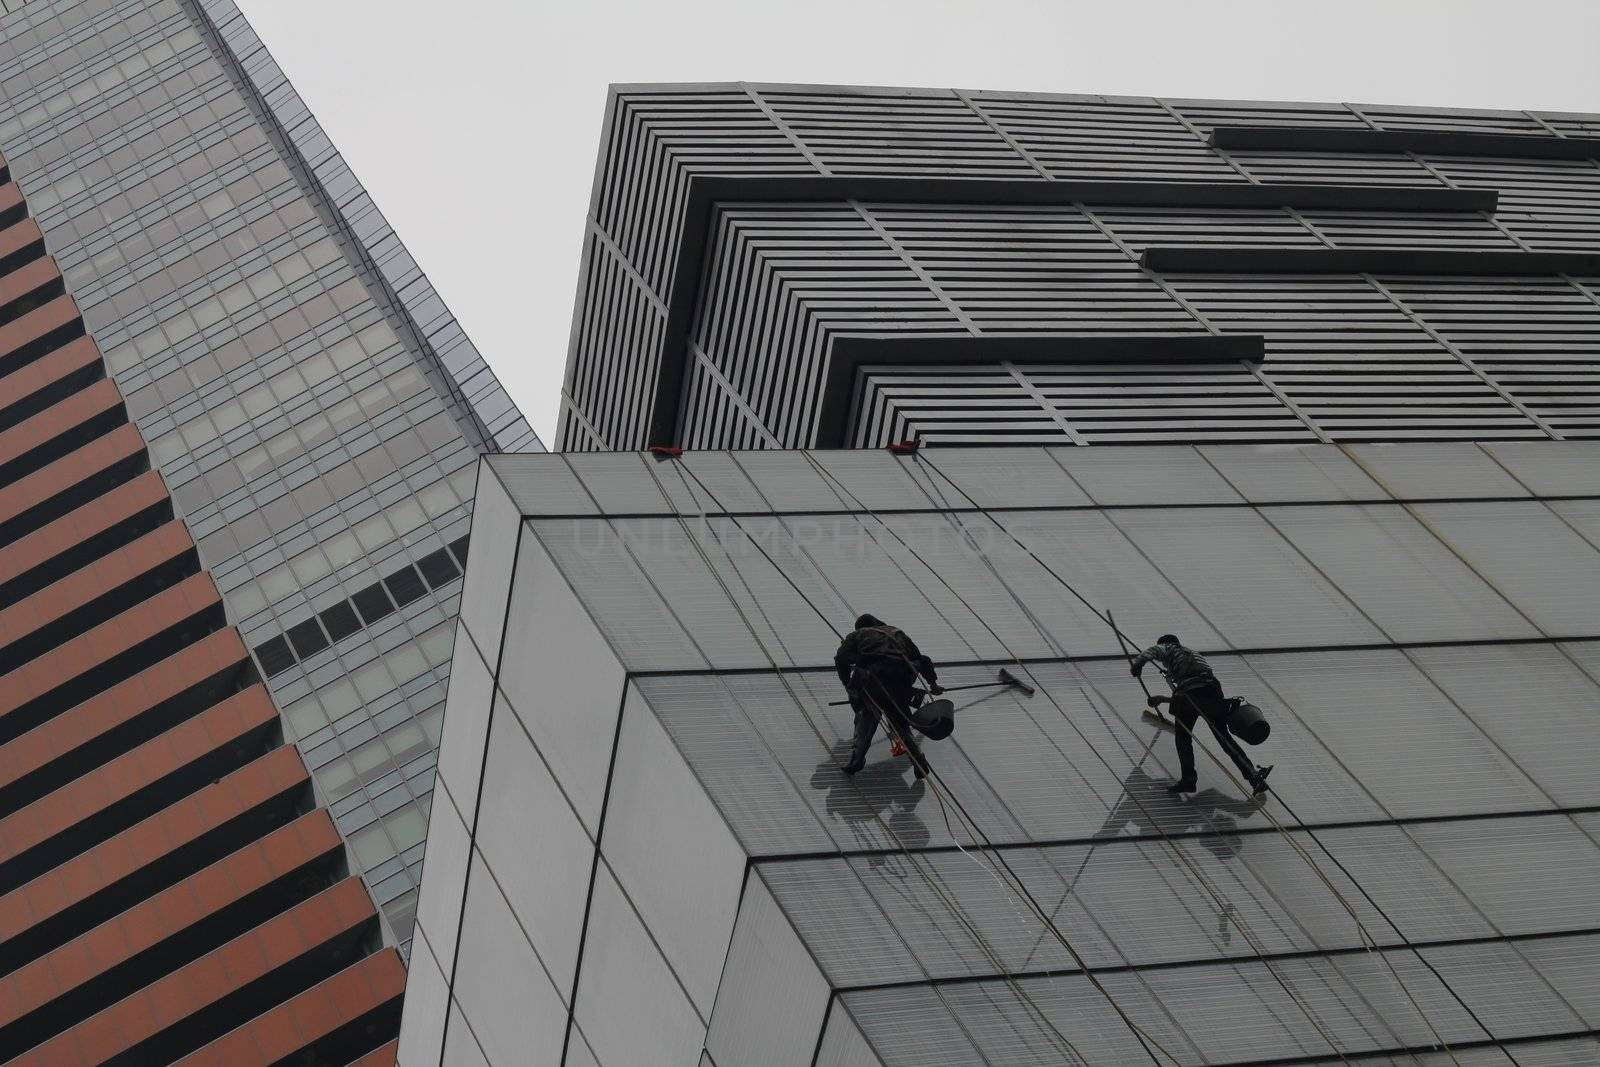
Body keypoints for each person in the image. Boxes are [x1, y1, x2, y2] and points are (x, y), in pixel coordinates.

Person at [1131, 634, 1272, 795]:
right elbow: (1196, 696)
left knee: (1183, 737)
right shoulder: (1192, 655)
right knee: (1223, 737)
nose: (1162, 662)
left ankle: (1188, 779)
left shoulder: (1169, 648)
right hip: (1211, 691)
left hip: (1190, 694)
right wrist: (1162, 699)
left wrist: (1138, 664)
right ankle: (1253, 777)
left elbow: (1155, 651)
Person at [834, 613, 944, 777]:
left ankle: (856, 760)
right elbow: (922, 659)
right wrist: (933, 684)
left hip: (876, 680)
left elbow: (841, 659)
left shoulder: (857, 635)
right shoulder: (896, 632)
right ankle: (918, 759)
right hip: (902, 681)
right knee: (900, 723)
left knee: (866, 716)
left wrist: (848, 685)